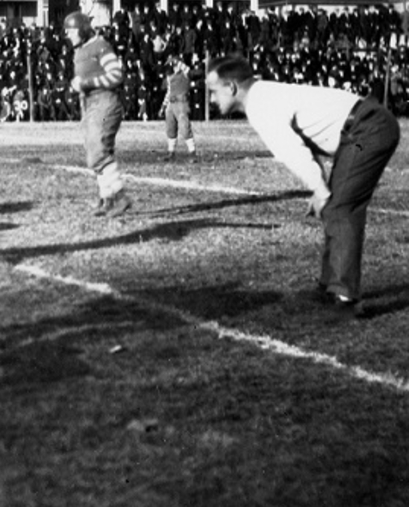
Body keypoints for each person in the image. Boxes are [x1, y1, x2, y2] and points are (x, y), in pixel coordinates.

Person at [205, 55, 400, 315]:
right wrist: (319, 187)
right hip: (362, 127)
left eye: (213, 92)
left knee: (341, 207)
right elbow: (305, 143)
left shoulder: (261, 106)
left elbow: (294, 152)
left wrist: (320, 189)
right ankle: (331, 286)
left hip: (368, 129)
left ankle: (344, 297)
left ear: (231, 87)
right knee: (335, 205)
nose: (211, 100)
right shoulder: (264, 94)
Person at [66, 11, 132, 217]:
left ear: (83, 30)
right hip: (90, 105)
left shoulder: (100, 45)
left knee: (98, 150)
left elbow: (116, 75)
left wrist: (86, 83)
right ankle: (107, 198)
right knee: (95, 151)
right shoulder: (81, 51)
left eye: (71, 30)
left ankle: (120, 196)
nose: (68, 35)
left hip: (104, 103)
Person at [160, 55, 199, 162]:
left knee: (184, 127)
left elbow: (191, 72)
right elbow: (168, 92)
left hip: (181, 102)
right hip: (171, 104)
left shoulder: (185, 74)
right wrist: (163, 106)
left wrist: (179, 63)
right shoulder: (169, 77)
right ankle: (171, 152)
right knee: (170, 128)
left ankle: (192, 152)